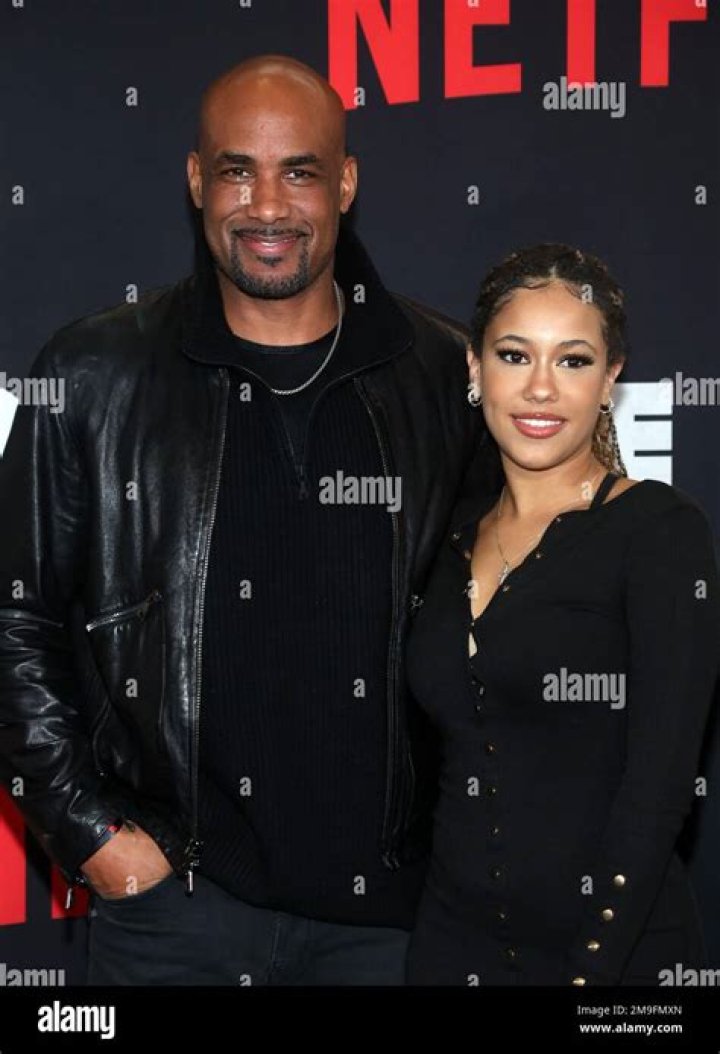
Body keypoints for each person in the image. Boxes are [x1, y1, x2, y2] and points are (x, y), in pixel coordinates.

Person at [0, 56, 488, 985]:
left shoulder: (442, 375)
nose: (267, 206)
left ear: (345, 183)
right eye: (237, 170)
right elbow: (13, 620)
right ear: (196, 180)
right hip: (173, 916)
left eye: (299, 171)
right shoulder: (93, 374)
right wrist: (94, 837)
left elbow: (505, 629)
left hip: (389, 928)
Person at [404, 243, 720, 986]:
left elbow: (658, 791)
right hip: (450, 949)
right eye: (514, 356)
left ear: (610, 380)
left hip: (618, 956)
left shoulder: (659, 532)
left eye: (573, 361)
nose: (540, 388)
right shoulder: (446, 539)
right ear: (475, 369)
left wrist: (590, 973)